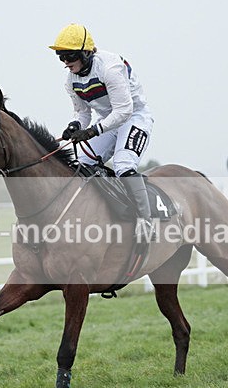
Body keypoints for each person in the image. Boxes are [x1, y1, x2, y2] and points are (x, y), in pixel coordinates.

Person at [49, 23, 155, 242]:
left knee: (123, 165)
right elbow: (82, 113)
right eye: (62, 58)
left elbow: (124, 110)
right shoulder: (71, 81)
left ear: (86, 53)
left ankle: (146, 221)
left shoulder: (110, 68)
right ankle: (107, 211)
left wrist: (93, 130)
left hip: (134, 117)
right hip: (108, 121)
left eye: (70, 57)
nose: (66, 63)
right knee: (80, 163)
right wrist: (75, 127)